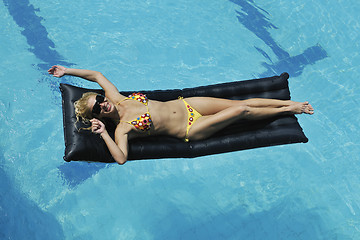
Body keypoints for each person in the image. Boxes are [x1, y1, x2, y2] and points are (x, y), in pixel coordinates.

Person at [48, 65, 314, 165]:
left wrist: (67, 70)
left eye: (100, 100)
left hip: (189, 104)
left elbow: (96, 75)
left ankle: (284, 104)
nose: (102, 105)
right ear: (100, 117)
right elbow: (121, 158)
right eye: (98, 109)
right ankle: (289, 107)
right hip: (191, 128)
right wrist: (104, 133)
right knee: (241, 110)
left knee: (239, 101)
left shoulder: (117, 97)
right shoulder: (122, 128)